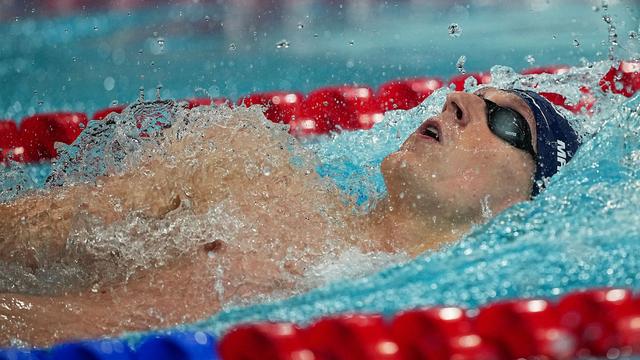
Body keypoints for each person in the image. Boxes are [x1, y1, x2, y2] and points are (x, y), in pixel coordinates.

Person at [0, 87, 581, 347]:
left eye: (506, 124)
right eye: (472, 95)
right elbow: (28, 232)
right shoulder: (244, 166)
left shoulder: (427, 329)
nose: (459, 103)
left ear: (522, 203)